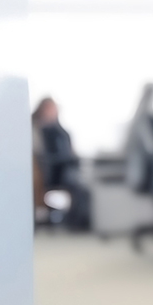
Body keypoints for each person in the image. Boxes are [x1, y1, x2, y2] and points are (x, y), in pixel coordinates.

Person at [32, 97, 90, 230]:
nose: (53, 112)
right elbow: (44, 155)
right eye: (49, 109)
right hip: (51, 172)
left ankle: (77, 223)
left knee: (83, 188)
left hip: (66, 168)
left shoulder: (59, 130)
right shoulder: (39, 129)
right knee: (77, 187)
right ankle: (75, 224)